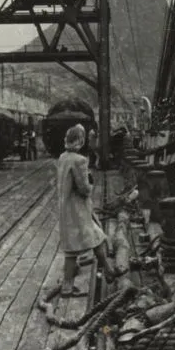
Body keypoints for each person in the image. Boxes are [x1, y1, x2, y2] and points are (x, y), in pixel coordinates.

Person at [57, 123, 115, 294]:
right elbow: (84, 188)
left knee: (90, 240)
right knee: (86, 242)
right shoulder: (80, 160)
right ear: (80, 141)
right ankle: (69, 286)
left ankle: (108, 271)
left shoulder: (62, 158)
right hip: (78, 210)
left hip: (66, 209)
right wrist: (91, 182)